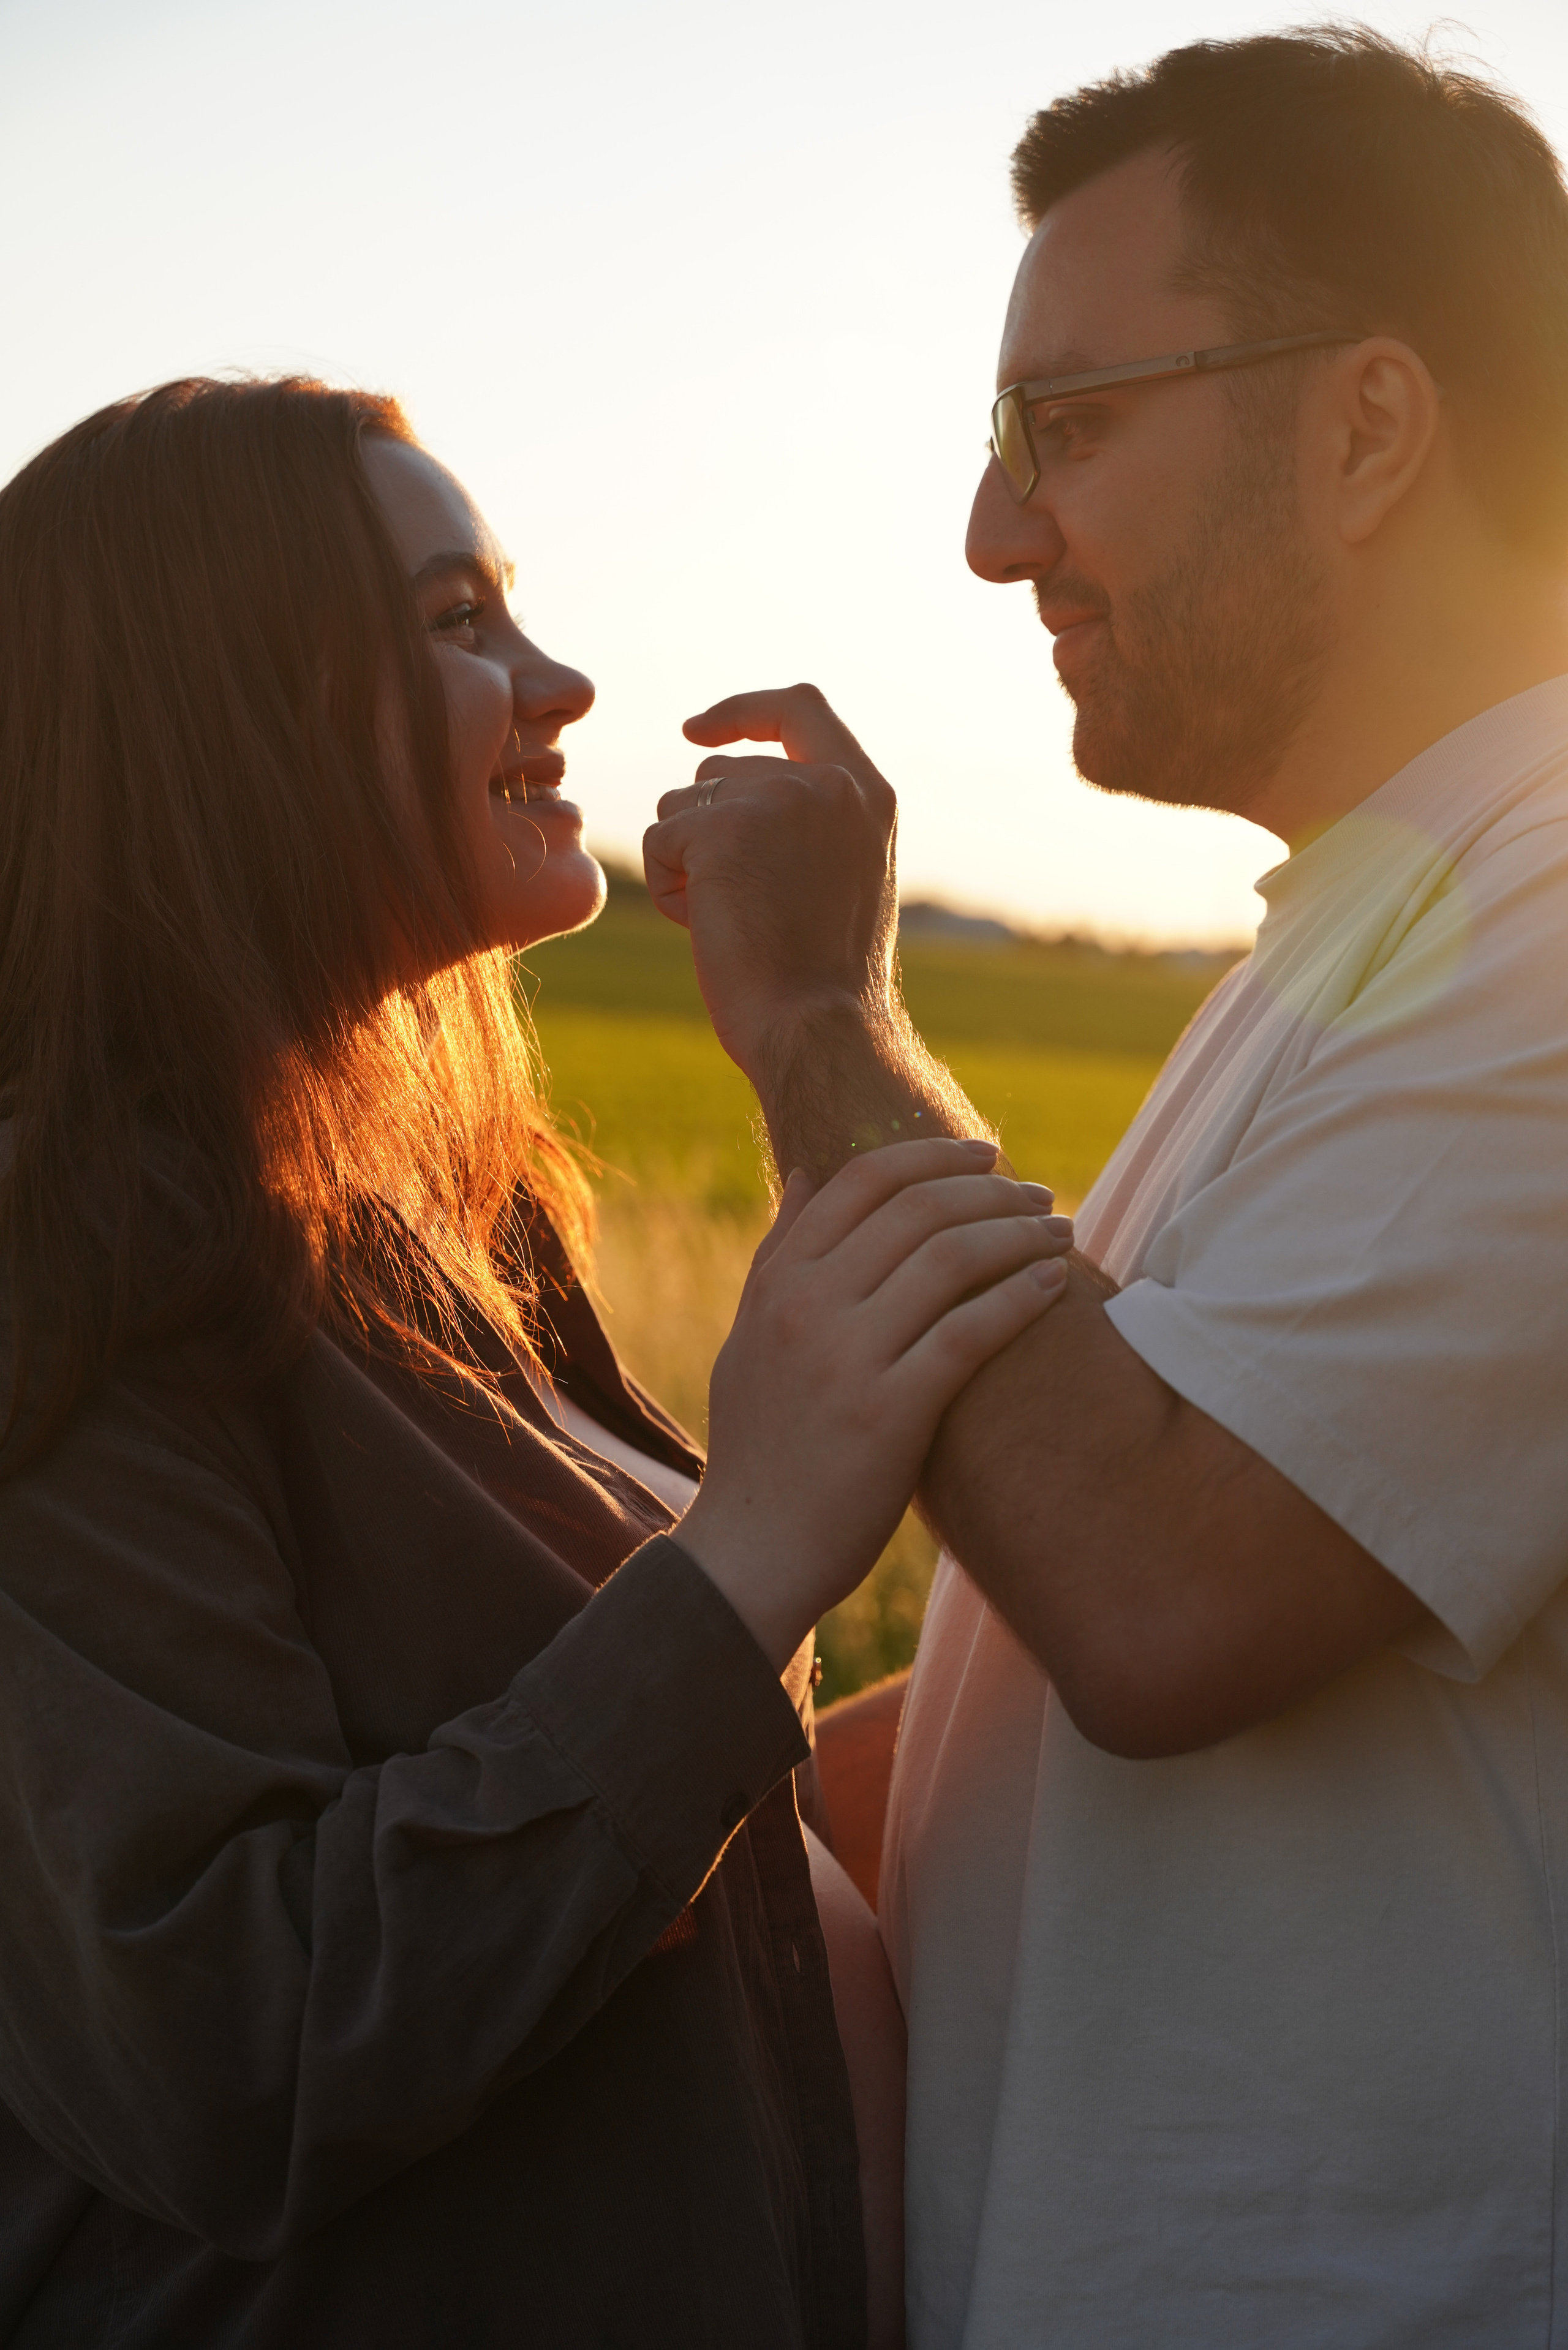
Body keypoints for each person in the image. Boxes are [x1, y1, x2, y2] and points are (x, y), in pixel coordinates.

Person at [643, 27, 1568, 2348]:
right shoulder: (1368, 937)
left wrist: (820, 1020)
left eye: (1066, 427)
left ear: (1368, 427)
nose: (998, 535)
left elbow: (1154, 1593)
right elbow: (1040, 1714)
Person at [0, 376, 1076, 2348]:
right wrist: (746, 1560)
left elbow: (646, 1828)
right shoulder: (56, 1269)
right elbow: (223, 2049)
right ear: (214, 708)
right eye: (456, 621)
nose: (563, 685)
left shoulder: (442, 1230)